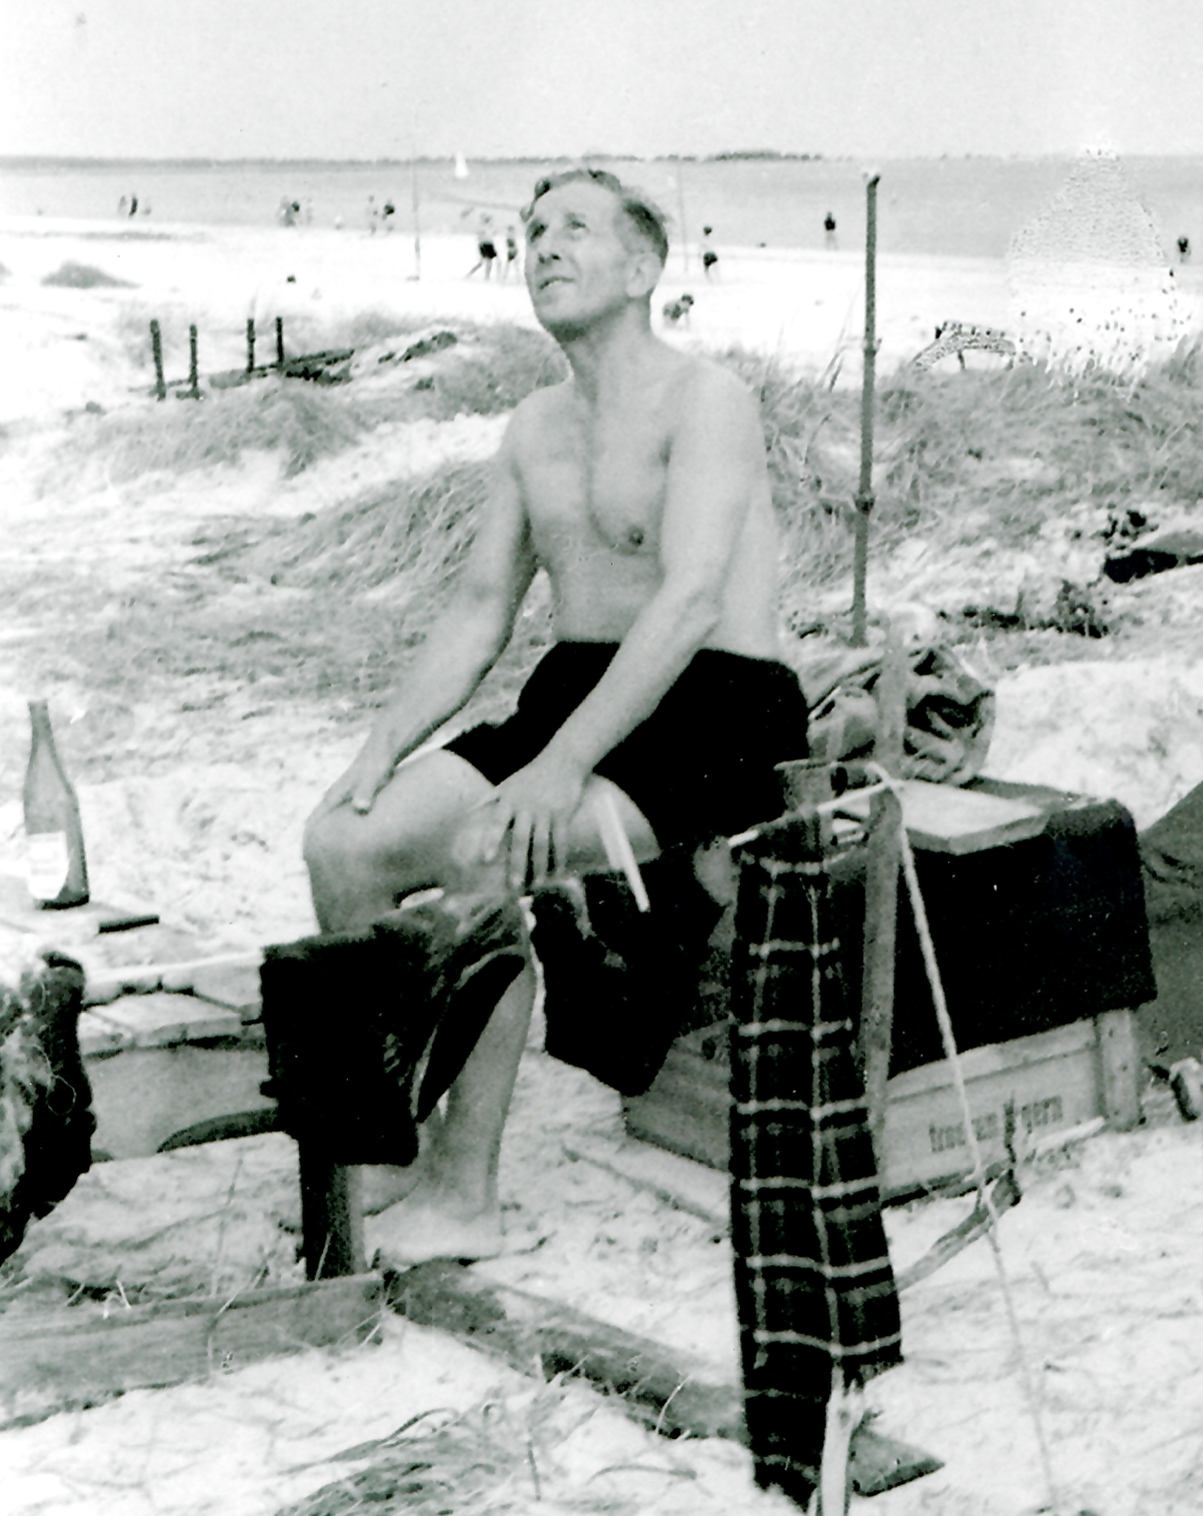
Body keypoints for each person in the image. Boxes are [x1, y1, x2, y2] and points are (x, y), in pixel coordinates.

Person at [303, 166, 807, 1267]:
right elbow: (481, 608)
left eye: (573, 227)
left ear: (640, 268)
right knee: (342, 839)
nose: (542, 245)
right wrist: (383, 742)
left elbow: (683, 605)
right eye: (529, 231)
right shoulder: (532, 426)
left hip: (712, 703)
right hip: (577, 686)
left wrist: (558, 768)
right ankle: (384, 1144)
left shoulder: (705, 399)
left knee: (490, 846)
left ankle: (464, 1190)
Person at [467, 213, 499, 279]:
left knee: (488, 262)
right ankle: (472, 274)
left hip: (489, 244)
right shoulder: (482, 227)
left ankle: (487, 276)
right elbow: (480, 236)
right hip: (485, 245)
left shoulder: (489, 227)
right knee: (483, 262)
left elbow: (492, 234)